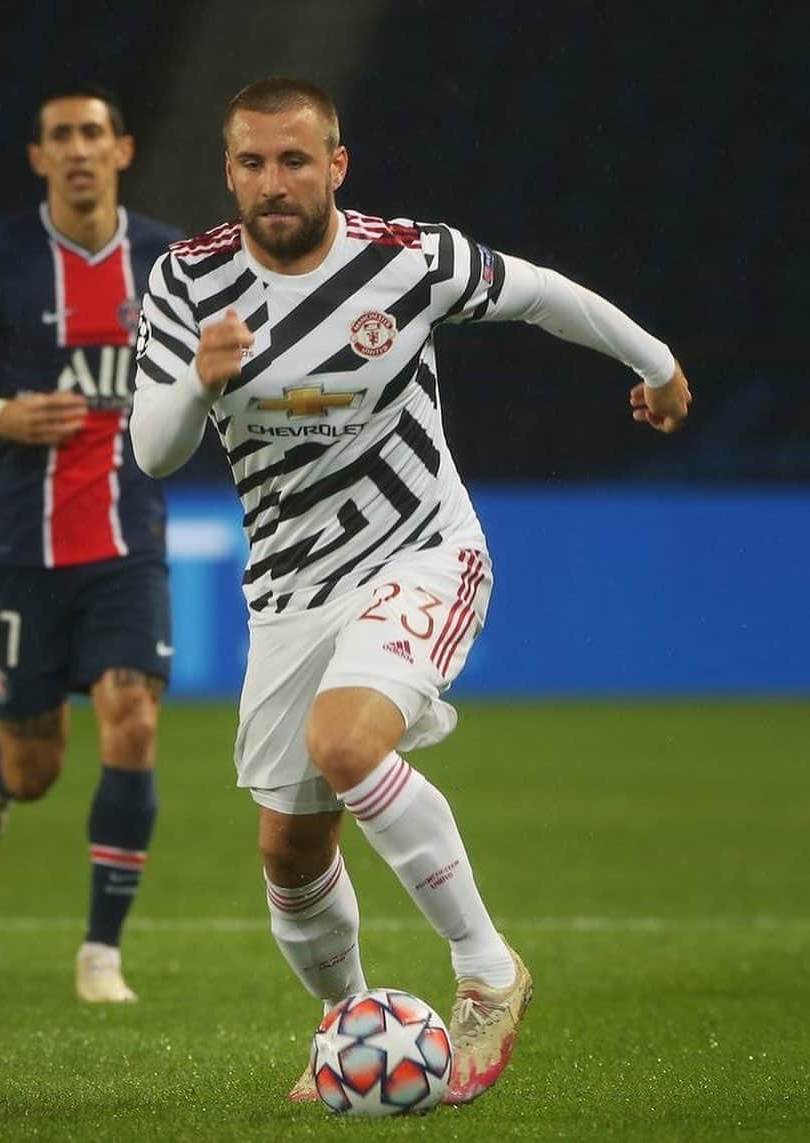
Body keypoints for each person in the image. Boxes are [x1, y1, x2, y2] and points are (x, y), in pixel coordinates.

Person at [129, 76, 691, 1103]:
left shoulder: (404, 258)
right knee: (290, 857)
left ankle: (486, 972)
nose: (273, 182)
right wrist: (195, 382)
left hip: (422, 549)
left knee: (345, 744)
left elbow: (539, 293)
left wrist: (652, 362)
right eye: (252, 163)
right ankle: (348, 1031)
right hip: (291, 588)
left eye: (295, 160)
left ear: (335, 166)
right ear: (228, 172)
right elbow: (154, 453)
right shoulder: (183, 281)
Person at [0, 83, 183, 1004]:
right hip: (20, 543)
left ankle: (101, 952)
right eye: (61, 136)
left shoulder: (169, 261)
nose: (79, 150)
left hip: (127, 538)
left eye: (94, 133)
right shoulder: (0, 256)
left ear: (122, 151)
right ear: (39, 158)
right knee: (39, 764)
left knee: (132, 720)